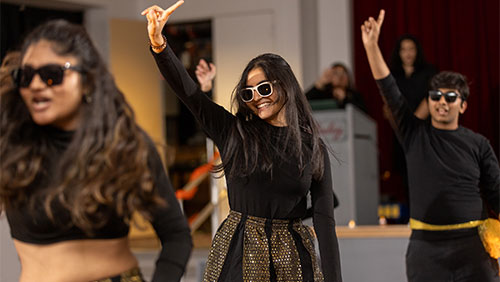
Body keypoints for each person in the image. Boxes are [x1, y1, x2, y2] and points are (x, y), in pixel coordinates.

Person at [142, 1, 342, 281]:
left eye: (263, 88)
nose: (256, 97)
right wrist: (159, 44)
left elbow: (325, 222)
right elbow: (190, 95)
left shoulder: (312, 148)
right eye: (248, 93)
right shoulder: (235, 132)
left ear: (285, 85)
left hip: (294, 259)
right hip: (240, 254)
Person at [0, 19, 192, 282]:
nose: (35, 85)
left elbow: (176, 235)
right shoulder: (10, 146)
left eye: (51, 75)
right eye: (25, 76)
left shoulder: (124, 144)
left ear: (87, 79)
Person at [361, 10, 500, 281]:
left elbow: (497, 193)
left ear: (463, 104)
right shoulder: (413, 133)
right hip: (426, 250)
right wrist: (371, 47)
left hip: (473, 248)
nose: (442, 101)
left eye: (451, 96)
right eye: (436, 95)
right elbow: (388, 88)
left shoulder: (478, 143)